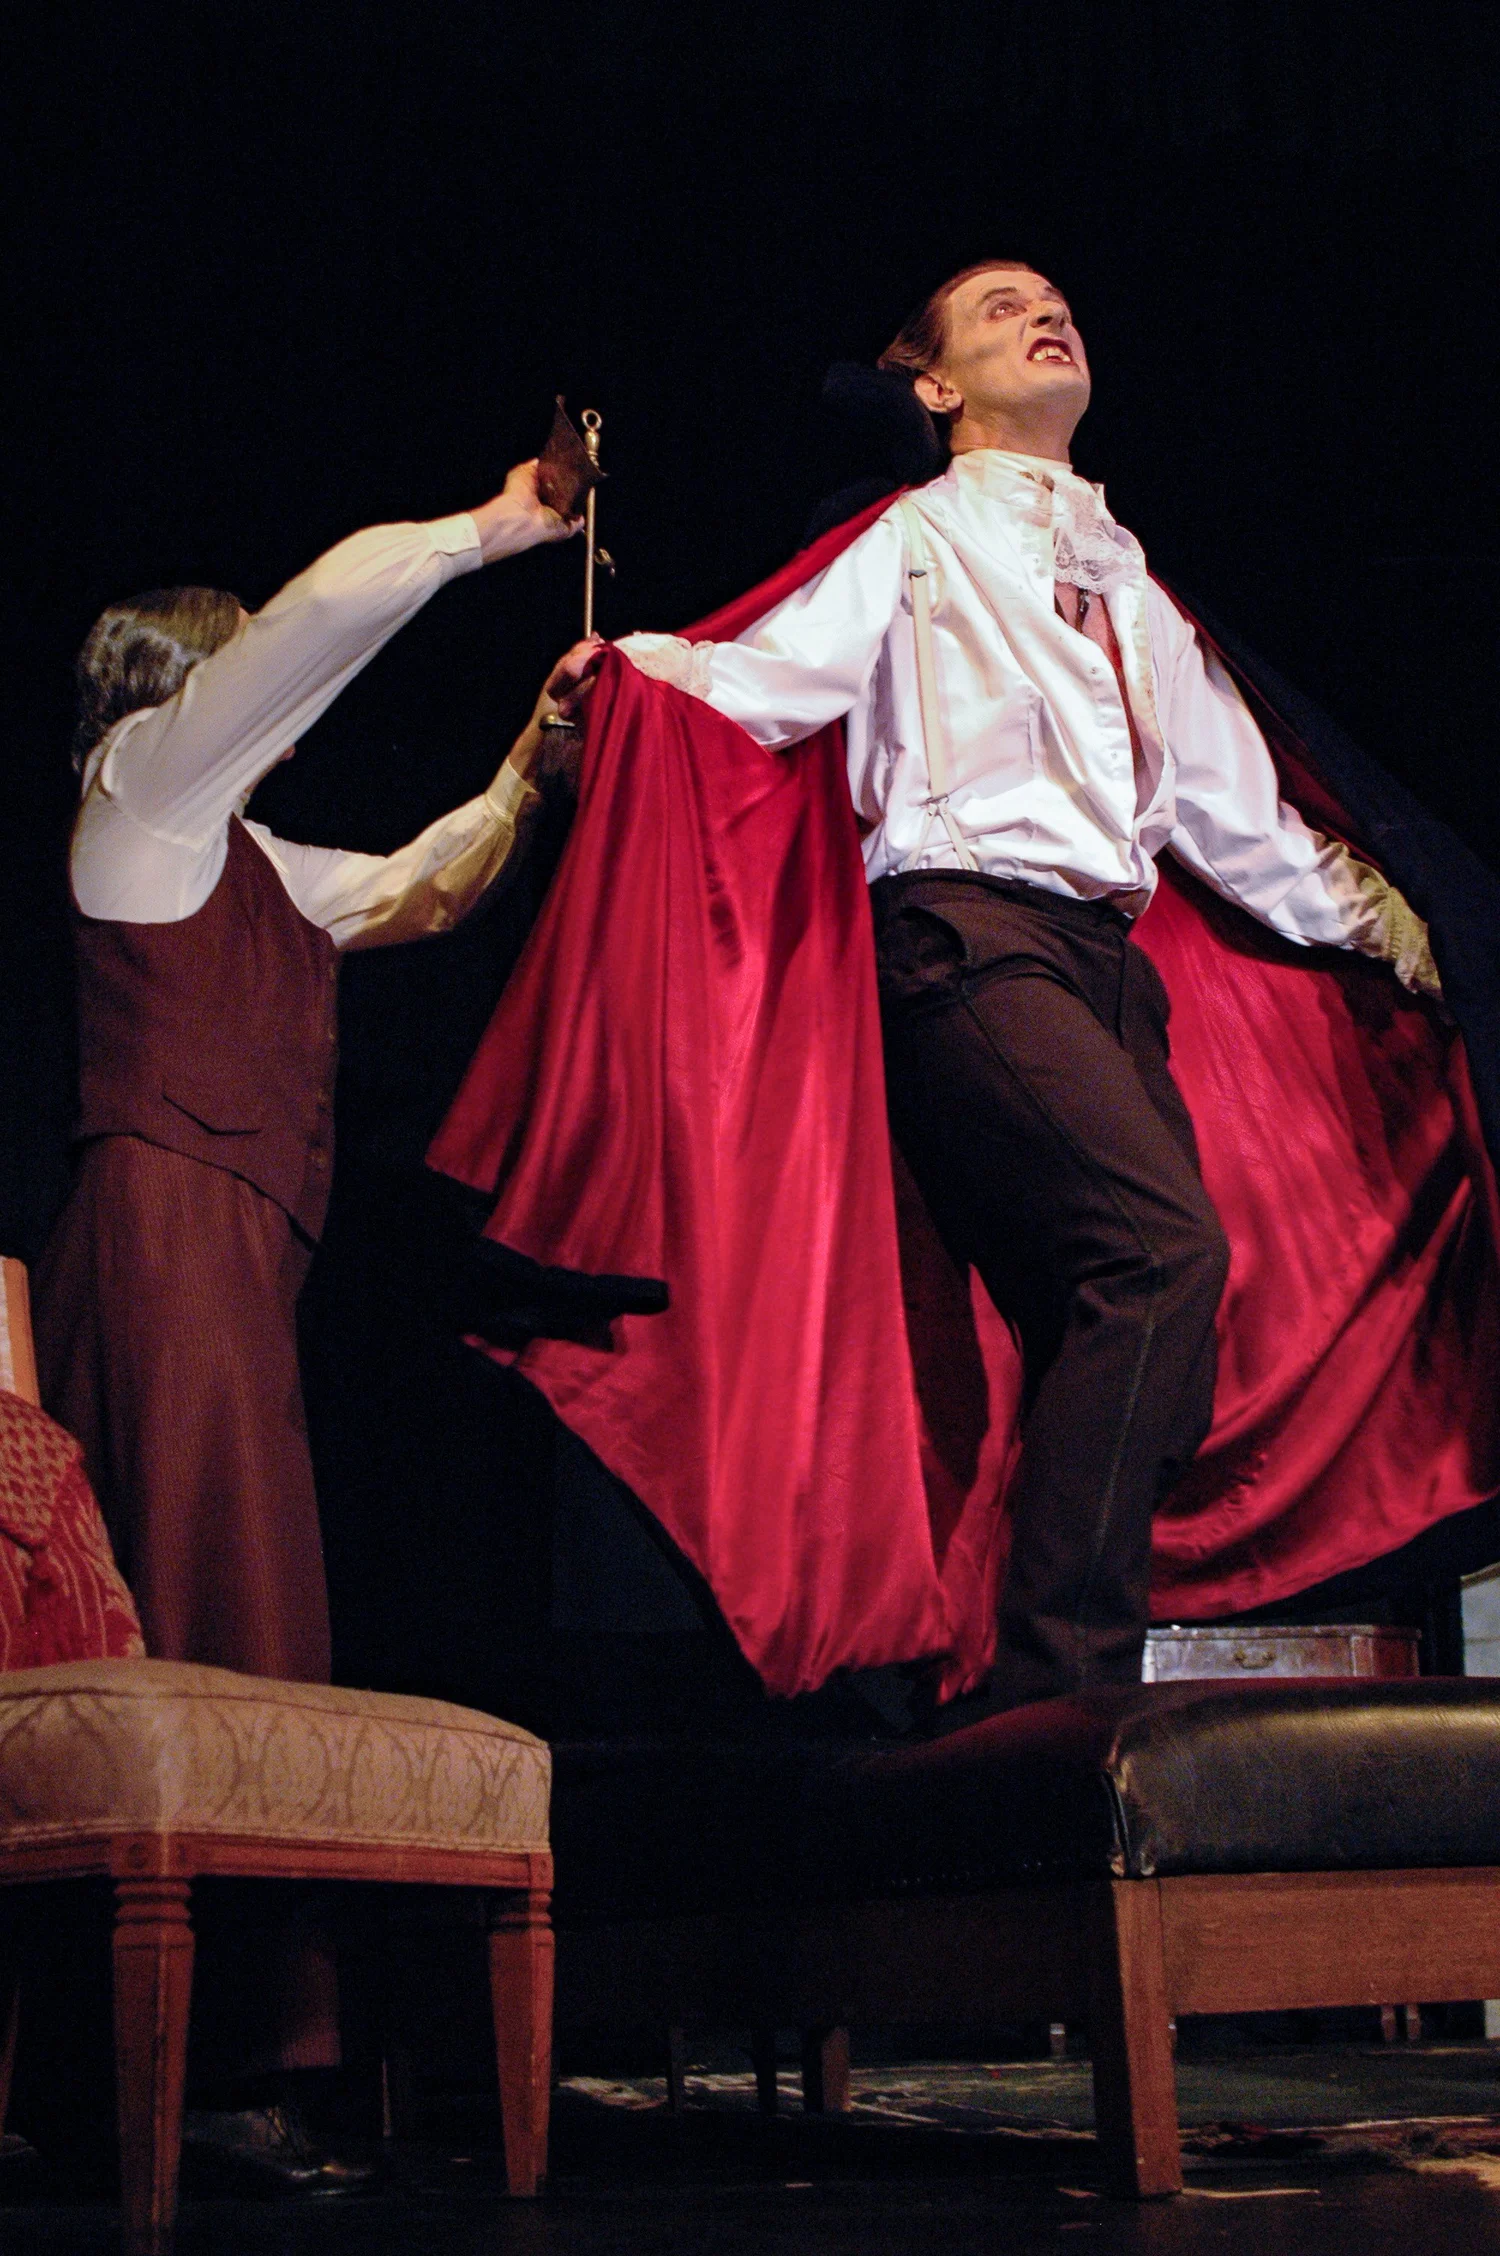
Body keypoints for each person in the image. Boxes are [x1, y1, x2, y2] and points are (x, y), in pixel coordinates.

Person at [608, 262, 1442, 1720]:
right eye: (998, 309)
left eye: (1054, 301)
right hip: (967, 935)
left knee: (1129, 1335)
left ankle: (1000, 1682)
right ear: (934, 387)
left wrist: (1397, 926)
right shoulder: (914, 537)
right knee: (1158, 1257)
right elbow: (766, 681)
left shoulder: (1128, 580)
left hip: (1107, 971)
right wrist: (623, 677)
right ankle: (1063, 1693)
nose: (1044, 314)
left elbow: (1235, 819)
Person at [33, 459, 594, 2186]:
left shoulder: (251, 866)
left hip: (242, 1273)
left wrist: (527, 763)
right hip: (162, 1251)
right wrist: (497, 529)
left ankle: (232, 2057)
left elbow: (424, 887)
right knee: (202, 1608)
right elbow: (324, 618)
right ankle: (177, 2068)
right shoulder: (139, 802)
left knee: (258, 1620)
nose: (265, 702)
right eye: (237, 677)